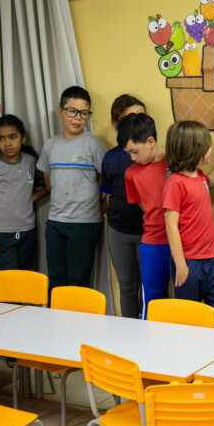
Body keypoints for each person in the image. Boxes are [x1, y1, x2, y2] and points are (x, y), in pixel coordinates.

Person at [162, 121, 214, 329]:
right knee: (188, 318)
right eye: (207, 146)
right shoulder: (174, 183)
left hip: (213, 259)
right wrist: (181, 265)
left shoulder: (200, 177)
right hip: (188, 262)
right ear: (192, 150)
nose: (210, 148)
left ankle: (207, 341)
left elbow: (211, 181)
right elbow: (171, 226)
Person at [36, 86, 104, 290]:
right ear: (60, 112)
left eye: (84, 113)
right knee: (56, 279)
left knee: (79, 282)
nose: (78, 118)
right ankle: (55, 311)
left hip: (84, 223)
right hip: (56, 222)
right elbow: (49, 181)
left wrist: (100, 209)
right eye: (72, 111)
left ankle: (78, 313)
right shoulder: (50, 145)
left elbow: (109, 181)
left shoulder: (93, 144)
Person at [0, 115, 48, 271]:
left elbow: (49, 185)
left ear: (23, 138)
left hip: (27, 231)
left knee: (24, 278)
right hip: (0, 233)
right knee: (8, 281)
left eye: (12, 137)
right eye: (1, 138)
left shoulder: (31, 161)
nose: (7, 143)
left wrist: (31, 198)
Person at [101, 95, 146, 318]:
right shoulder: (111, 157)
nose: (135, 123)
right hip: (118, 231)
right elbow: (108, 195)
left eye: (141, 116)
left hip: (148, 233)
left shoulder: (151, 155)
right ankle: (130, 333)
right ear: (115, 123)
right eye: (129, 118)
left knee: (149, 287)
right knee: (127, 287)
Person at [123, 113, 170, 319]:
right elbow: (146, 207)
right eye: (129, 153)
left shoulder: (176, 162)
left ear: (151, 141)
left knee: (186, 300)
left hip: (185, 241)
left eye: (135, 152)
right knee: (152, 299)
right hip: (153, 243)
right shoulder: (131, 173)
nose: (133, 158)